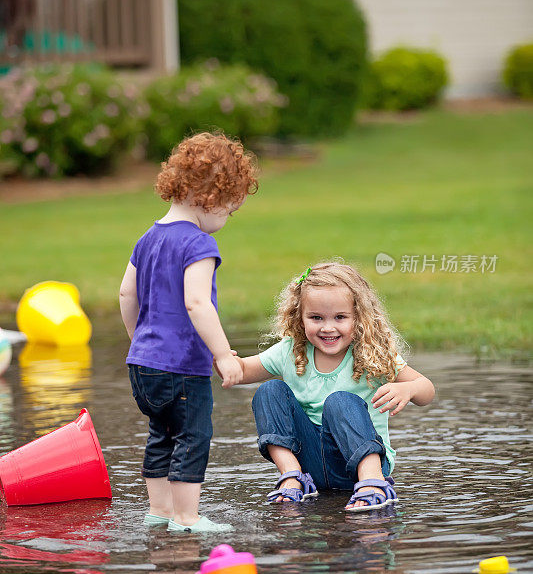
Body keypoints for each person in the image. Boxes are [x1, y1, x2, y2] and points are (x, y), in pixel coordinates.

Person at [119, 131, 258, 532]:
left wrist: (138, 340)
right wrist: (223, 354)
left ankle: (158, 511)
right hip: (182, 366)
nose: (226, 221)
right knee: (192, 435)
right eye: (230, 210)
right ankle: (186, 517)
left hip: (143, 364)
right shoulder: (197, 244)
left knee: (161, 435)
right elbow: (198, 304)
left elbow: (126, 292)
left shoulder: (148, 237)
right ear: (211, 198)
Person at [236, 261, 435, 511]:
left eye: (340, 317)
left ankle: (373, 484)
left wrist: (409, 389)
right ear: (300, 317)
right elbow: (241, 371)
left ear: (359, 317)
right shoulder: (291, 350)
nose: (328, 327)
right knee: (269, 391)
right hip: (311, 467)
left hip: (359, 464)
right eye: (316, 317)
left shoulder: (372, 354)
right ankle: (291, 476)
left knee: (340, 401)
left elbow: (426, 389)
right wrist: (216, 356)